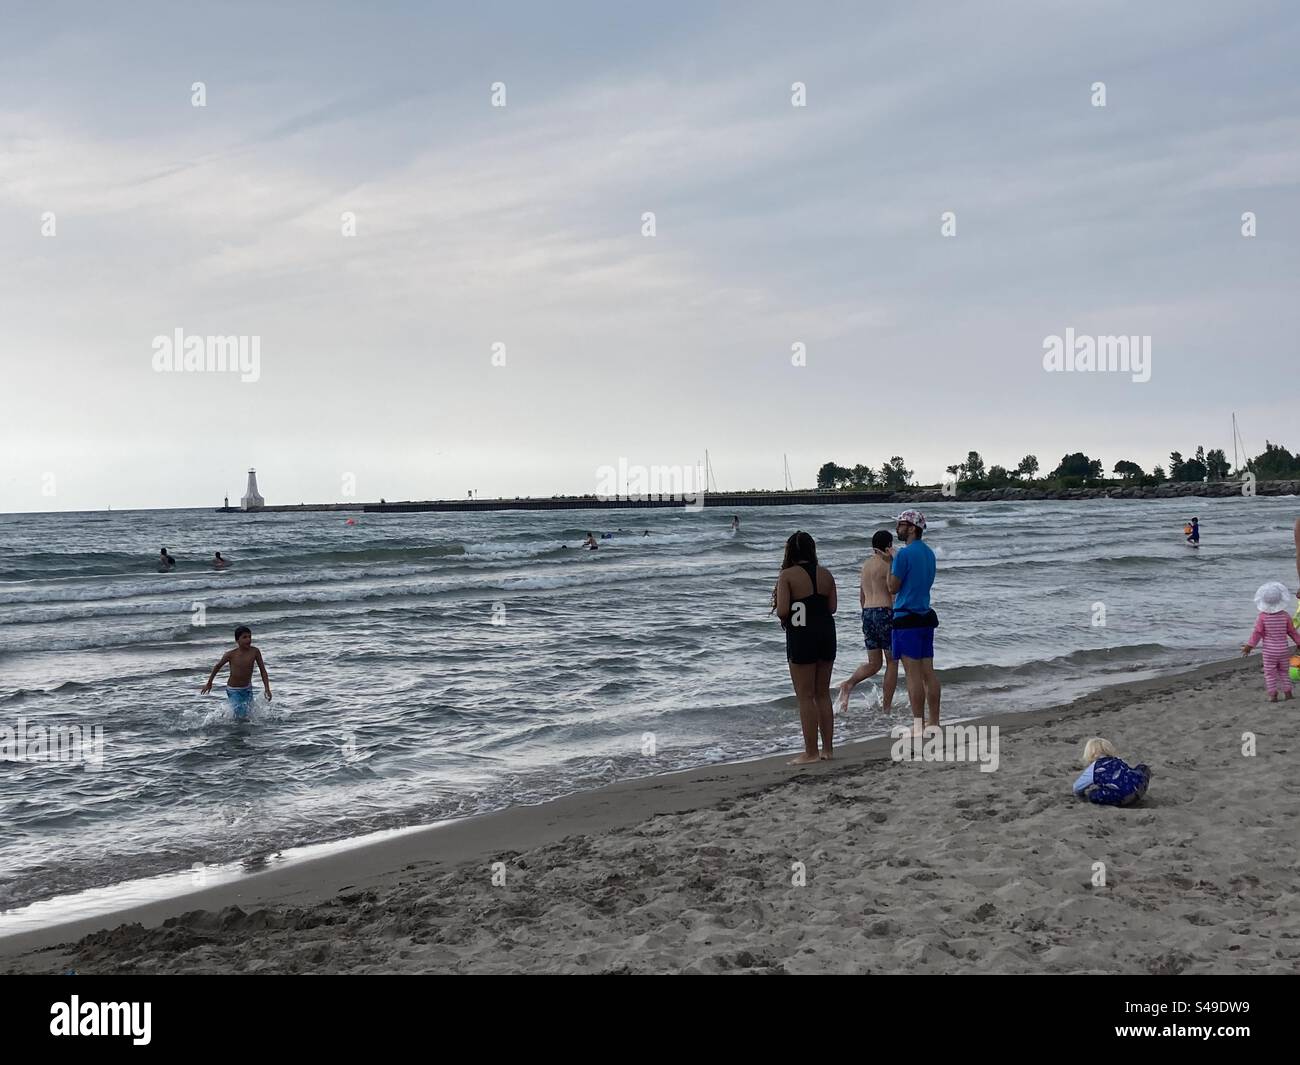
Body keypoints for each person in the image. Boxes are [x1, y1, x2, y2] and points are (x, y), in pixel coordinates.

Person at [772, 531, 837, 765]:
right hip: (827, 634)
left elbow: (782, 611)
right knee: (822, 693)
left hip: (801, 635)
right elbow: (832, 608)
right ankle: (827, 749)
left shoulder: (787, 576)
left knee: (805, 696)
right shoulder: (826, 574)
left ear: (790, 551)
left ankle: (810, 752)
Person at [887, 510, 939, 734]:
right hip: (925, 615)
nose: (898, 529)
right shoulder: (929, 553)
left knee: (913, 675)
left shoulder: (903, 555)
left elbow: (892, 587)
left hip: (906, 616)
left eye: (901, 525)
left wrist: (891, 562)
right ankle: (934, 721)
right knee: (929, 672)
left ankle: (918, 724)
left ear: (911, 528)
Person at [836, 530, 899, 712]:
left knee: (874, 663)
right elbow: (892, 590)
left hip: (867, 613)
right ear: (888, 545)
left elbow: (861, 597)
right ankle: (886, 708)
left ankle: (848, 684)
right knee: (892, 662)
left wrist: (866, 614)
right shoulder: (889, 564)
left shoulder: (865, 565)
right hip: (884, 612)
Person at [1241, 581, 1300, 701]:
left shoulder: (1262, 617)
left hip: (1269, 652)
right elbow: (1292, 631)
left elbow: (1257, 633)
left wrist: (1249, 646)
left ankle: (1273, 695)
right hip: (1283, 650)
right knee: (1284, 672)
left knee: (1270, 674)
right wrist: (1299, 643)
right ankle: (1288, 693)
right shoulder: (1285, 616)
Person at [201, 625, 272, 720]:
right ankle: (224, 721)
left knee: (247, 713)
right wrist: (209, 683)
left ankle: (241, 729)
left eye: (250, 637)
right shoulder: (231, 654)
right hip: (233, 689)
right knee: (239, 714)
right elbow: (217, 667)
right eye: (244, 637)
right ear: (237, 640)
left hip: (247, 688)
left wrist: (267, 688)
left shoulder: (255, 652)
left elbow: (263, 670)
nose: (248, 639)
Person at [1073, 738, 1151, 806]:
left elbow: (1077, 787)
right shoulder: (1117, 759)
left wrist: (1082, 795)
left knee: (1093, 794)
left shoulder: (1094, 767)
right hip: (1138, 787)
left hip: (1121, 797)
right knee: (1142, 768)